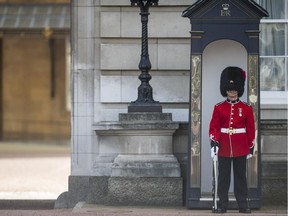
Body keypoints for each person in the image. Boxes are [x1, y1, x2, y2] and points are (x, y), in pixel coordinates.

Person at [209, 66, 255, 214]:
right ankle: (222, 205)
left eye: (234, 90)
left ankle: (243, 204)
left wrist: (250, 145)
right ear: (225, 90)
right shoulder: (219, 107)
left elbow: (251, 128)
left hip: (240, 146)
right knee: (223, 178)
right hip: (223, 146)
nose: (232, 92)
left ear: (239, 90)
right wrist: (214, 142)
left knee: (240, 177)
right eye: (229, 90)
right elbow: (214, 127)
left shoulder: (246, 108)